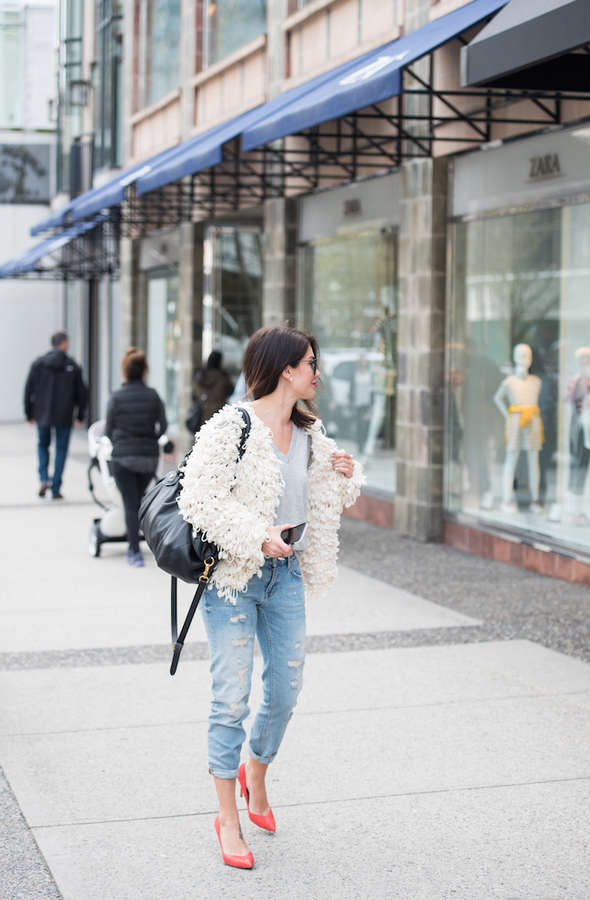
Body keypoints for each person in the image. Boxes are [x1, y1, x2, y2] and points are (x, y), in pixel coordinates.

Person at [178, 324, 363, 870]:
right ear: (285, 368)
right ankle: (227, 820)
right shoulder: (231, 425)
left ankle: (254, 770)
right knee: (230, 699)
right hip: (235, 578)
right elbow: (199, 497)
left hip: (287, 578)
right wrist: (256, 535)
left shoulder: (309, 431)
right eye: (310, 361)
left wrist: (346, 473)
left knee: (285, 690)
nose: (316, 371)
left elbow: (330, 492)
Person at [105, 348, 167, 567]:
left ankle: (134, 551)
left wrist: (120, 441)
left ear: (125, 371)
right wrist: (151, 439)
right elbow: (163, 426)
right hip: (147, 458)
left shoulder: (116, 397)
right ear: (144, 371)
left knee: (130, 504)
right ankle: (149, 544)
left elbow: (108, 429)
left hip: (123, 457)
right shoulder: (153, 395)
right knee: (139, 502)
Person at [24, 330, 88, 499]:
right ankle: (56, 486)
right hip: (64, 415)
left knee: (42, 445)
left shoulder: (39, 364)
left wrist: (29, 413)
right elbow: (82, 393)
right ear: (64, 343)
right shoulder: (72, 366)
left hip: (42, 414)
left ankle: (44, 478)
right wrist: (80, 415)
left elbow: (28, 389)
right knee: (61, 450)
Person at [190, 350, 234, 430]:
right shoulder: (223, 377)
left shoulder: (201, 377)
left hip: (203, 415)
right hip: (219, 413)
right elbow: (231, 391)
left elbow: (194, 396)